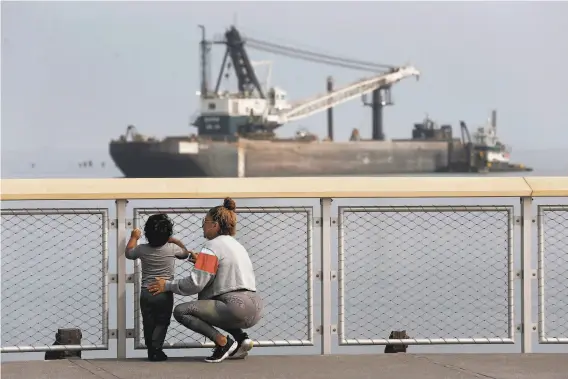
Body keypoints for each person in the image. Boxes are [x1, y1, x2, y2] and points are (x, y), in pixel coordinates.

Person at [148, 197, 263, 363]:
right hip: (254, 308)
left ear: (215, 225)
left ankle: (223, 342)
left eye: (205, 221)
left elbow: (195, 284)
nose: (203, 225)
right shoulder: (237, 245)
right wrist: (199, 261)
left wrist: (166, 285)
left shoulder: (212, 246)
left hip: (234, 307)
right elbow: (224, 271)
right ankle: (241, 338)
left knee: (181, 311)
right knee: (211, 307)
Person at [125, 213, 192, 362]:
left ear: (147, 233)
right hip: (164, 292)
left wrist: (134, 237)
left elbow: (128, 253)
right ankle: (156, 349)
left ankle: (151, 349)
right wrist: (175, 240)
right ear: (168, 233)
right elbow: (185, 254)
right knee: (162, 321)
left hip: (146, 292)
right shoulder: (172, 248)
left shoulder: (141, 249)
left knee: (148, 321)